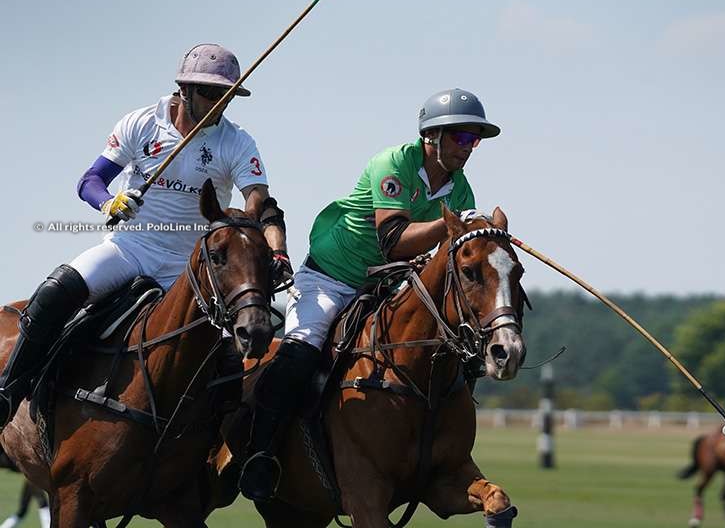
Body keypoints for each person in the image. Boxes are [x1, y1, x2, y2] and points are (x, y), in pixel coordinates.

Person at [0, 44, 291, 427]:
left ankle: (218, 450)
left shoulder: (237, 142)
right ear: (184, 90)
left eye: (226, 96)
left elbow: (260, 202)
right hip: (131, 248)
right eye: (209, 93)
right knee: (54, 292)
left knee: (227, 356)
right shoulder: (141, 124)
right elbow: (90, 181)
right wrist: (108, 203)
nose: (218, 104)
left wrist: (272, 246)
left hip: (189, 268)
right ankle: (9, 393)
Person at [239, 87, 502, 501]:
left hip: (387, 286)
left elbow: (444, 261)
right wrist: (451, 223)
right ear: (431, 137)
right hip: (330, 277)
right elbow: (393, 239)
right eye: (461, 137)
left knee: (449, 353)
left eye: (475, 140)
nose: (469, 148)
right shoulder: (393, 163)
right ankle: (260, 453)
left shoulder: (461, 189)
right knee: (300, 353)